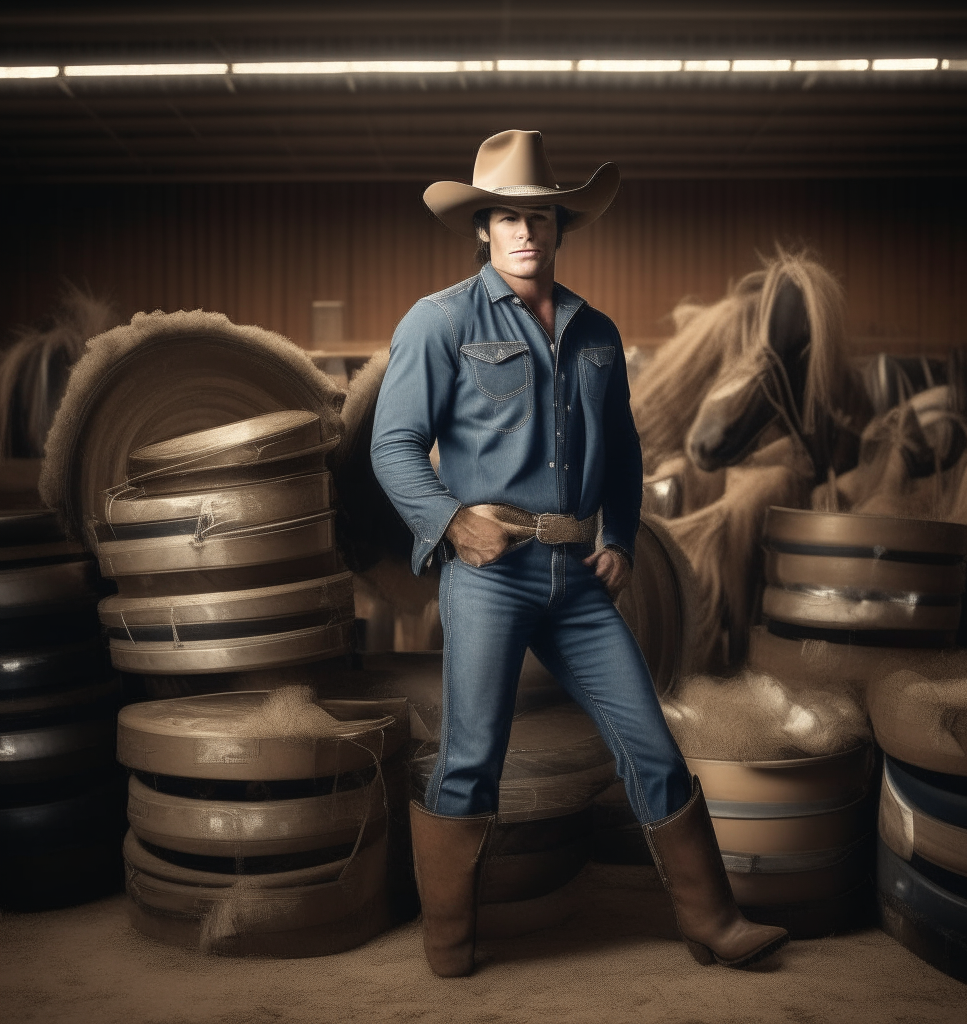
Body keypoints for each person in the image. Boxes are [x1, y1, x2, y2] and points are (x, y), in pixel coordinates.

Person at [371, 130, 788, 977]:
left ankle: (713, 921)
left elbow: (626, 454)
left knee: (651, 742)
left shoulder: (598, 330)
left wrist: (625, 539)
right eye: (507, 218)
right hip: (491, 572)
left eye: (541, 218)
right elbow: (393, 445)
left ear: (561, 226)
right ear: (482, 228)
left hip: (579, 579)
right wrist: (452, 523)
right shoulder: (439, 320)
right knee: (472, 756)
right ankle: (450, 942)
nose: (525, 232)